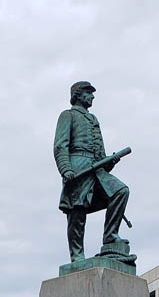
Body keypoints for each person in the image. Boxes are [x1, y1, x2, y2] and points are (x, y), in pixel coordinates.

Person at [54, 81, 130, 263]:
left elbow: (100, 155)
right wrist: (66, 169)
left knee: (120, 191)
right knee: (77, 212)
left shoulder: (93, 119)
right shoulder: (68, 115)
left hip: (96, 169)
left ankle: (110, 237)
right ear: (78, 95)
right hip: (77, 165)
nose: (92, 96)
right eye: (89, 93)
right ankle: (77, 255)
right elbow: (60, 146)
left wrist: (109, 162)